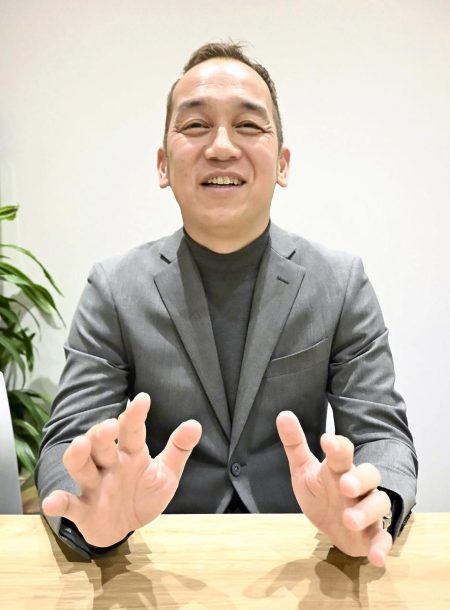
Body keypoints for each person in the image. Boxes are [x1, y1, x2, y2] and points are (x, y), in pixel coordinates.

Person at [36, 42, 418, 568]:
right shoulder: (114, 288)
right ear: (163, 165)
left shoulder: (340, 282)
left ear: (282, 163)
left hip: (298, 560)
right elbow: (68, 441)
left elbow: (382, 436)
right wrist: (92, 519)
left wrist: (372, 508)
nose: (220, 147)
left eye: (248, 125)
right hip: (162, 562)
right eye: (195, 125)